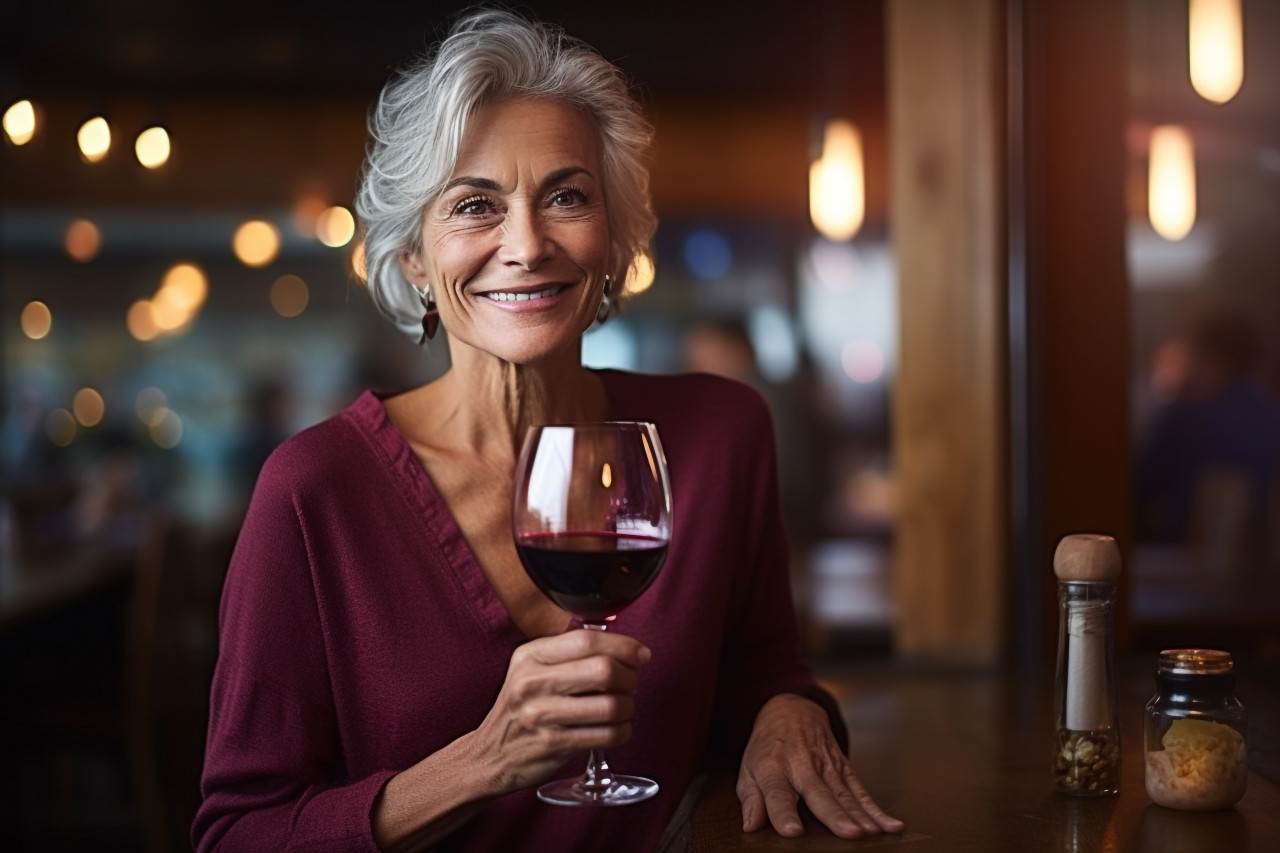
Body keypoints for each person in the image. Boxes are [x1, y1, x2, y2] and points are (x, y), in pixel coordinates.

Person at [193, 8, 903, 851]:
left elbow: (760, 671)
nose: (526, 244)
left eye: (566, 196)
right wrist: (483, 761)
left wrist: (791, 710)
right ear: (414, 259)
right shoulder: (313, 492)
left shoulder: (722, 436)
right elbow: (237, 833)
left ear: (612, 239)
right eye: (473, 206)